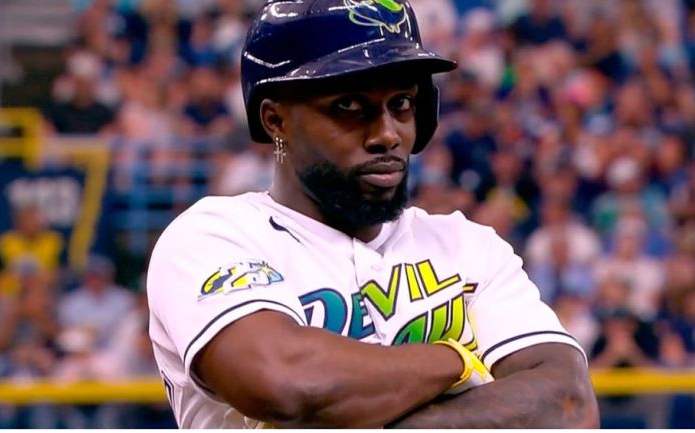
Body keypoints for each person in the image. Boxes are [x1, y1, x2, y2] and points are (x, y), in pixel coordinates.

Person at [146, 0, 598, 428]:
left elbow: (569, 404)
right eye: (350, 106)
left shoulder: (469, 246)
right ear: (275, 120)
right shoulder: (212, 237)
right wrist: (457, 360)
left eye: (401, 103)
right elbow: (282, 381)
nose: (386, 134)